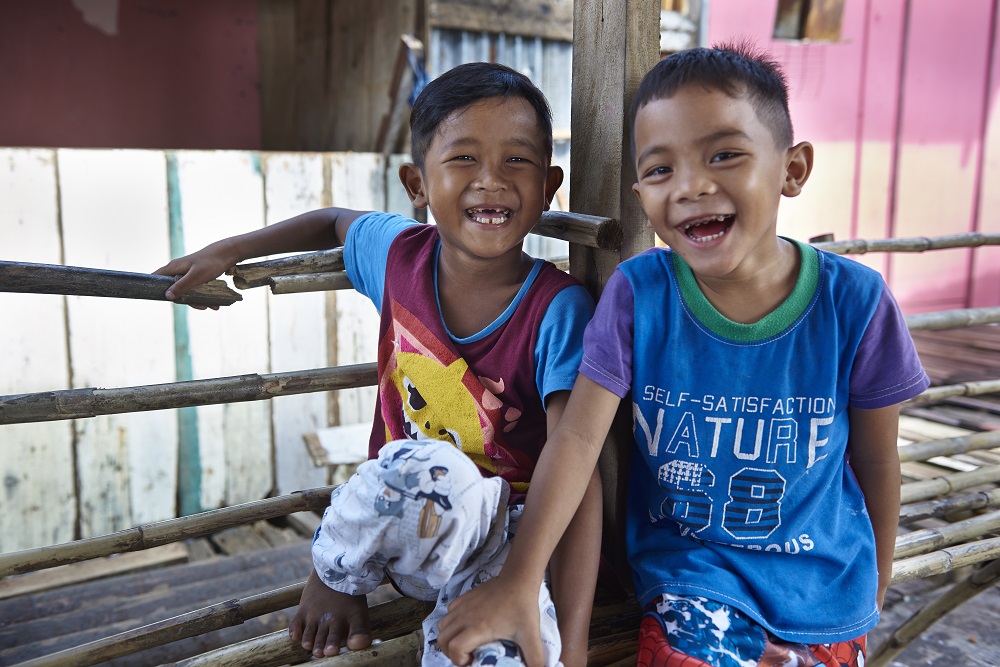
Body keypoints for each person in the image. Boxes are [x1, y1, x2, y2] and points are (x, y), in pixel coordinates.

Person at [434, 43, 930, 667]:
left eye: (725, 154)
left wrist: (874, 585)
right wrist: (519, 580)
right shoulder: (641, 295)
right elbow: (578, 441)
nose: (693, 186)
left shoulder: (854, 302)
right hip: (693, 581)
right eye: (662, 169)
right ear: (641, 193)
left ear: (792, 169)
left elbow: (877, 461)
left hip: (824, 583)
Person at [155, 62, 602, 667]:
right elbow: (331, 222)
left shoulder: (558, 310)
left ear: (549, 185)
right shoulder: (398, 256)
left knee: (507, 656)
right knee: (424, 464)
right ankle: (337, 574)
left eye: (516, 161)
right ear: (417, 185)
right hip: (393, 524)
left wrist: (569, 648)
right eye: (464, 159)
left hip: (505, 547)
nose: (491, 181)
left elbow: (578, 466)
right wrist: (232, 248)